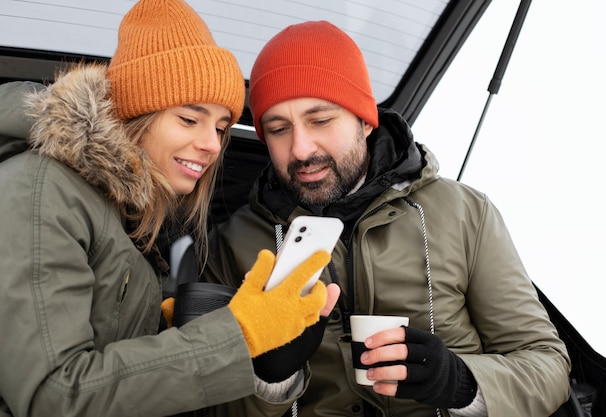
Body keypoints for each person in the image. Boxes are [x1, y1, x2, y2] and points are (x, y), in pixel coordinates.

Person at [202, 20, 572, 417]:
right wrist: (271, 380)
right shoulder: (232, 241)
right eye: (278, 129)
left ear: (365, 119)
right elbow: (207, 404)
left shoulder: (465, 213)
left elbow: (549, 367)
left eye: (321, 120)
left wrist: (461, 382)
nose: (301, 148)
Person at [0, 2, 340, 416]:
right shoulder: (41, 188)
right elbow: (53, 397)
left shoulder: (134, 224)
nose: (212, 145)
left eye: (220, 127)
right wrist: (237, 333)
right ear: (135, 113)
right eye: (188, 119)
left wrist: (253, 363)